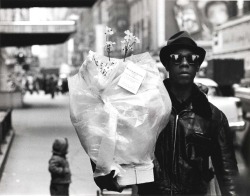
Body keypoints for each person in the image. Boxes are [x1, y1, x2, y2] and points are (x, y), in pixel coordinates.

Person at [137, 31, 239, 195]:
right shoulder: (148, 108)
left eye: (191, 58)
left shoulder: (213, 117)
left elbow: (229, 175)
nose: (184, 63)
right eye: (176, 57)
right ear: (167, 65)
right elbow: (122, 151)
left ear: (198, 66)